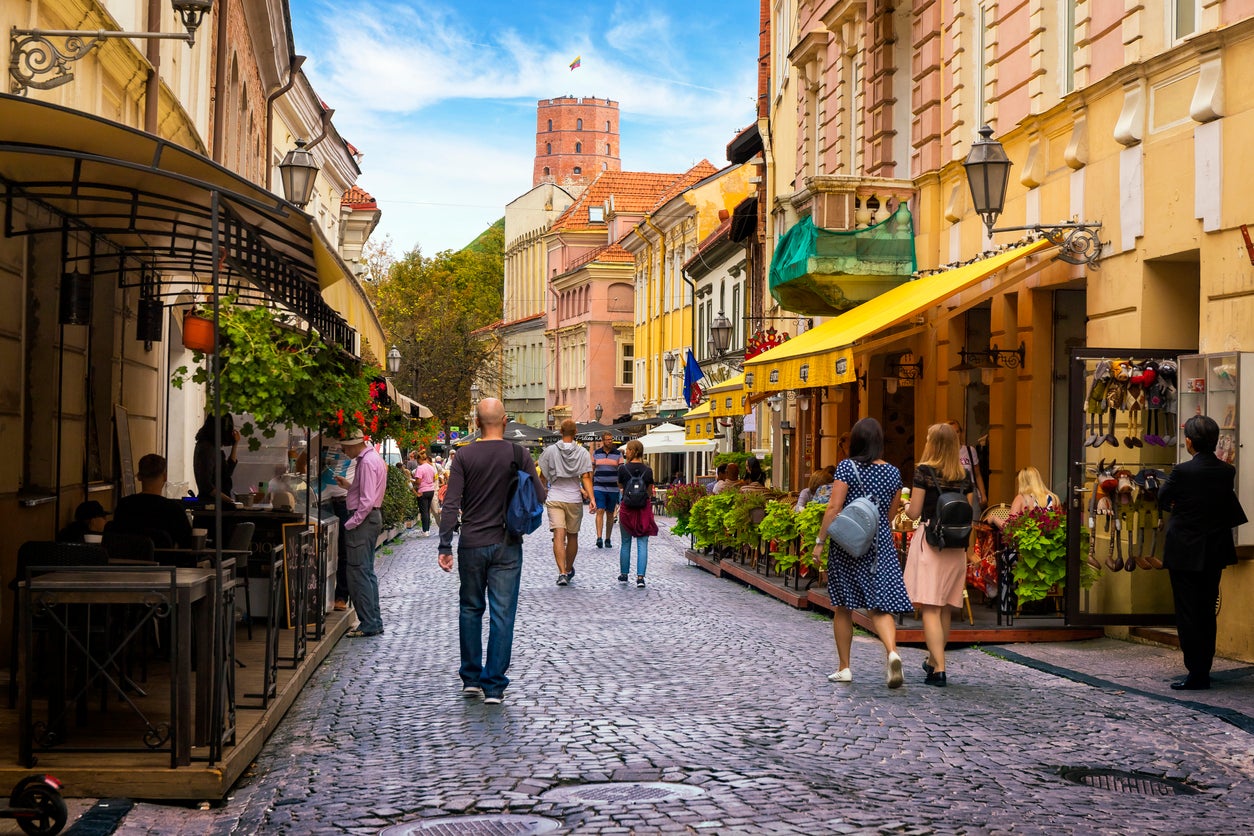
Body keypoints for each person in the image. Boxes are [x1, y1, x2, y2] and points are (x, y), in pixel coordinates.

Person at [438, 398, 547, 705]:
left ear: (475, 422)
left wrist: (445, 543)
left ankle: (471, 679)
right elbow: (540, 496)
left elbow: (451, 503)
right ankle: (494, 685)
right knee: (502, 613)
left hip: (471, 542)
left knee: (470, 609)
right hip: (507, 543)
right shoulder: (519, 453)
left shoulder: (463, 456)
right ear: (506, 420)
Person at [811, 418, 912, 689]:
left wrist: (820, 541)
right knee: (880, 606)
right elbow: (890, 515)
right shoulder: (892, 472)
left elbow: (834, 507)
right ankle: (892, 651)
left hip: (848, 545)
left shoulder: (847, 467)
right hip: (879, 545)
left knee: (843, 606)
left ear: (855, 440)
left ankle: (844, 668)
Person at [1158, 415, 1247, 690]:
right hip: (1213, 549)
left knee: (1187, 612)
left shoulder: (1183, 471)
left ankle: (1195, 671)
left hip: (1185, 549)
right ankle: (1203, 669)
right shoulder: (1226, 471)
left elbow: (1162, 498)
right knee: (1207, 610)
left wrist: (1181, 507)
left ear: (1189, 441)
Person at [902, 423, 974, 686]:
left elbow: (914, 513)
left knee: (930, 607)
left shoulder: (924, 471)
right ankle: (933, 661)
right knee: (944, 607)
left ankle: (940, 668)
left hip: (931, 542)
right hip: (956, 547)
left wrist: (906, 502)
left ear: (932, 443)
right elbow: (967, 513)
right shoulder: (964, 475)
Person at [334, 429, 388, 638]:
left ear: (353, 444)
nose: (343, 450)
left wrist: (351, 523)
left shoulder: (365, 462)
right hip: (371, 518)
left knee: (358, 572)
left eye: (344, 446)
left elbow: (366, 501)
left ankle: (369, 623)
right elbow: (368, 493)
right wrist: (350, 486)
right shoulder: (373, 458)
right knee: (365, 571)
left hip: (363, 521)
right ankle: (373, 620)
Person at [537, 419, 594, 586]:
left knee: (558, 536)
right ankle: (568, 569)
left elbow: (543, 475)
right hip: (574, 498)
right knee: (573, 536)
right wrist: (592, 498)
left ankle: (561, 572)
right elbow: (586, 478)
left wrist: (544, 490)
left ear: (560, 432)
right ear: (576, 432)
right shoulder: (583, 453)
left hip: (555, 497)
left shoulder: (550, 451)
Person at [111, 453, 193, 548]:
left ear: (139, 477)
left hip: (128, 561)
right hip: (164, 562)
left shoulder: (124, 506)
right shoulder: (174, 510)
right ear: (165, 477)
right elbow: (188, 545)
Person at [616, 439, 658, 587]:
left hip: (627, 509)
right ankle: (640, 577)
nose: (625, 452)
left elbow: (620, 486)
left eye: (627, 449)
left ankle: (624, 573)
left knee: (625, 542)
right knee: (642, 543)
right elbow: (649, 491)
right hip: (643, 509)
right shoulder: (648, 470)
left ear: (633, 451)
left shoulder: (622, 469)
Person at [193, 414, 240, 506]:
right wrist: (230, 501)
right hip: (212, 506)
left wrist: (235, 445)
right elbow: (206, 485)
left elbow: (227, 472)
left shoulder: (210, 447)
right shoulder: (207, 449)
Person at [591, 432, 624, 549]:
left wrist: (621, 485)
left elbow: (621, 471)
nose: (610, 441)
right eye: (607, 439)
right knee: (600, 510)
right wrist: (590, 487)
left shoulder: (618, 454)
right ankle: (599, 537)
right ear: (603, 441)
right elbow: (592, 470)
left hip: (613, 488)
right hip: (599, 486)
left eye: (611, 439)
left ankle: (608, 538)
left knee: (610, 513)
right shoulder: (596, 453)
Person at [947, 420, 986, 511]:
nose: (955, 435)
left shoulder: (970, 450)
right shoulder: (944, 453)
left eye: (957, 432)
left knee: (974, 521)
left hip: (971, 490)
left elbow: (977, 474)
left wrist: (983, 495)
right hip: (952, 491)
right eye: (952, 433)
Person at [412, 449, 438, 537]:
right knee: (427, 510)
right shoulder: (431, 467)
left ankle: (425, 530)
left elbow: (418, 481)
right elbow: (434, 479)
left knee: (423, 511)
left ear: (419, 459)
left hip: (422, 491)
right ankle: (428, 529)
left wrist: (413, 481)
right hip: (431, 490)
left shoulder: (420, 468)